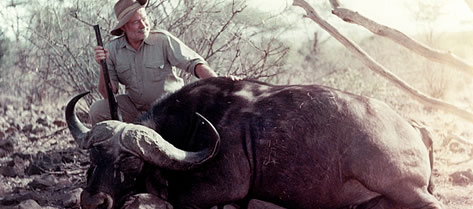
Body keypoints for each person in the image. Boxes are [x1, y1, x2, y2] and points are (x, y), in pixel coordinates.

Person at [90, 0, 220, 125]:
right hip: (136, 109)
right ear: (124, 27)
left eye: (144, 19)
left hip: (170, 107)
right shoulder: (112, 48)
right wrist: (103, 65)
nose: (143, 25)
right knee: (98, 110)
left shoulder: (162, 40)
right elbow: (108, 93)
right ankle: (113, 146)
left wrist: (221, 84)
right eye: (136, 22)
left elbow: (195, 64)